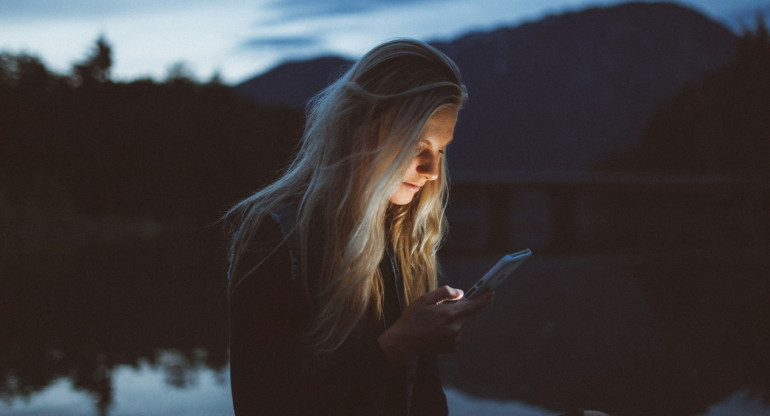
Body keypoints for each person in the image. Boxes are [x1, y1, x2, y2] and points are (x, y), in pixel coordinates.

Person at [224, 39, 494, 415]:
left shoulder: (402, 235)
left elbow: (424, 398)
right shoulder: (276, 238)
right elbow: (262, 405)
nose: (432, 172)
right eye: (418, 145)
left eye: (441, 149)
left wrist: (417, 341)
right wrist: (399, 344)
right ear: (364, 128)